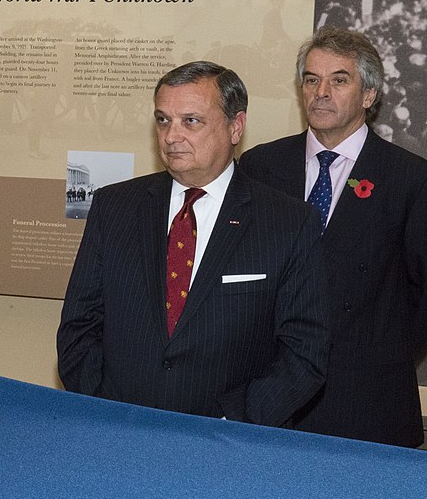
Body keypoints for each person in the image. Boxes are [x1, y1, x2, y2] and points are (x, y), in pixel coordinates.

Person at [57, 61, 329, 427]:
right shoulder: (115, 206)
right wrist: (107, 407)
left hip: (225, 441)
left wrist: (231, 419)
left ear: (236, 126)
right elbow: (79, 326)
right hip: (116, 428)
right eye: (163, 120)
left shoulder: (288, 222)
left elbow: (304, 352)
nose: (171, 136)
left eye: (191, 121)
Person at [239, 27, 427, 447]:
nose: (321, 92)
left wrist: (380, 349)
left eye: (339, 80)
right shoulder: (259, 167)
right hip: (269, 404)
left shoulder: (410, 179)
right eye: (311, 79)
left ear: (368, 95)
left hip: (367, 404)